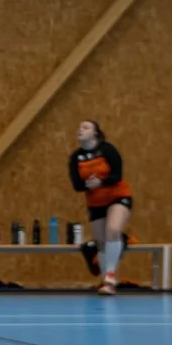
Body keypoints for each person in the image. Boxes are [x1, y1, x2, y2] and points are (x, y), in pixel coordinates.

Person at [70, 120, 133, 296]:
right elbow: (76, 184)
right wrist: (87, 185)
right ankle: (107, 281)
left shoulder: (107, 150)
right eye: (79, 127)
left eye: (85, 127)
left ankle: (110, 276)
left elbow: (117, 175)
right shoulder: (76, 157)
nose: (80, 130)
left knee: (112, 230)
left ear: (95, 133)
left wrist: (101, 181)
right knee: (101, 243)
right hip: (95, 203)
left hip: (117, 196)